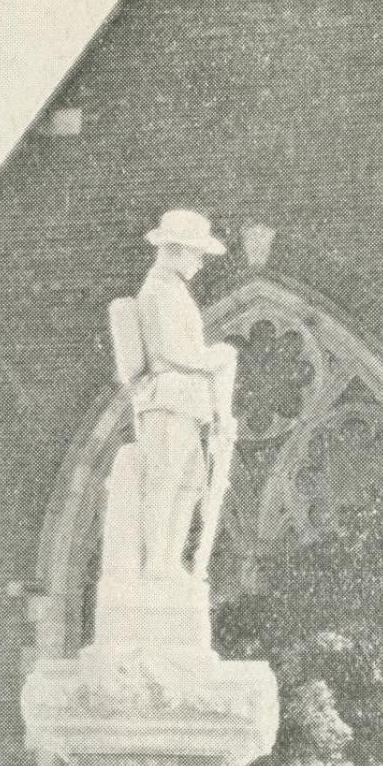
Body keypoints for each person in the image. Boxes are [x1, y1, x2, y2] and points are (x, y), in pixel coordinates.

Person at [130, 210, 238, 578]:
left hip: (185, 401)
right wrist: (214, 359)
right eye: (196, 253)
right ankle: (157, 563)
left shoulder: (173, 289)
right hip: (167, 398)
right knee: (165, 478)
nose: (200, 262)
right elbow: (169, 351)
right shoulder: (157, 292)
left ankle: (170, 560)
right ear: (175, 250)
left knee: (191, 480)